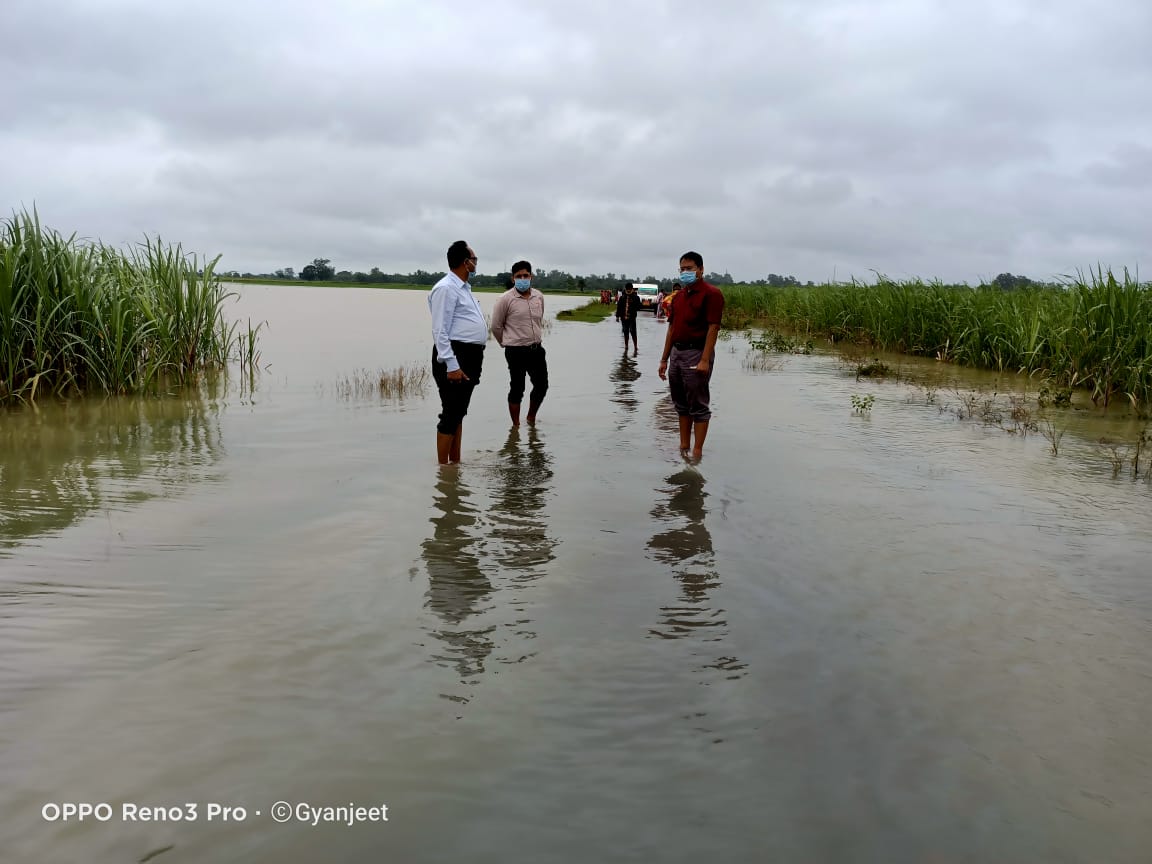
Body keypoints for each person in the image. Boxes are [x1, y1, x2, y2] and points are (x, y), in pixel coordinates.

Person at [657, 251, 725, 460]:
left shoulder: (712, 294)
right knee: (680, 403)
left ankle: (697, 452)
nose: (685, 272)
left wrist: (704, 360)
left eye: (690, 268)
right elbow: (671, 330)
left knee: (698, 404)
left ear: (701, 270)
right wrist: (664, 359)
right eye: (682, 269)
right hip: (677, 352)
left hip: (696, 352)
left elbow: (713, 327)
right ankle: (683, 447)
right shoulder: (678, 298)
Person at [428, 240, 487, 464]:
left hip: (469, 356)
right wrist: (452, 365)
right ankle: (444, 471)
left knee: (458, 413)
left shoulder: (463, 288)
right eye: (474, 259)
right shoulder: (446, 288)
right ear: (465, 262)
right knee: (451, 414)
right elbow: (440, 330)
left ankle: (456, 463)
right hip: (455, 357)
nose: (475, 263)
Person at [490, 260, 548, 427]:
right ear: (513, 278)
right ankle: (515, 426)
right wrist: (506, 343)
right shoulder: (505, 299)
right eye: (519, 276)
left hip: (536, 349)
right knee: (517, 389)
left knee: (542, 385)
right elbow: (496, 326)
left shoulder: (539, 297)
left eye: (526, 275)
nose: (523, 278)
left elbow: (539, 319)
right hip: (515, 352)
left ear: (531, 276)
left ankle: (531, 417)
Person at [615, 282, 641, 355]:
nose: (628, 291)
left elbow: (638, 307)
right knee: (625, 331)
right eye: (627, 289)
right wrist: (617, 316)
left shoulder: (636, 297)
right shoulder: (622, 297)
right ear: (626, 289)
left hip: (632, 317)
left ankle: (635, 346)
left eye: (630, 289)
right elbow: (619, 307)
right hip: (623, 317)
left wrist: (633, 304)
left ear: (632, 289)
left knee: (633, 331)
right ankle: (626, 346)